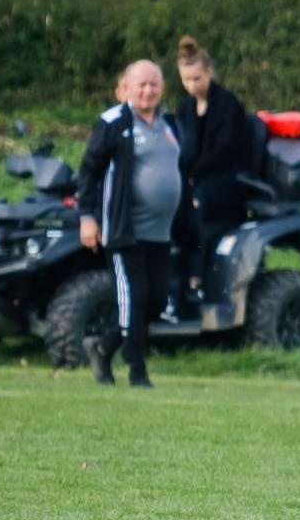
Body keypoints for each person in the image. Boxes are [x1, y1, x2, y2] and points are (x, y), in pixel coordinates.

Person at [78, 59, 189, 388]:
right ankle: (137, 369)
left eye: (154, 84)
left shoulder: (170, 124)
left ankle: (102, 347)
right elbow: (88, 172)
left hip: (161, 234)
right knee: (134, 300)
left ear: (162, 87)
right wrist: (87, 218)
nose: (148, 90)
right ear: (126, 88)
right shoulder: (114, 122)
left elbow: (180, 169)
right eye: (142, 84)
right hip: (124, 232)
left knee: (156, 303)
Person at [174, 36, 251, 303]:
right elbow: (181, 148)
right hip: (195, 177)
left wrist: (193, 177)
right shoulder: (185, 108)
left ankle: (195, 279)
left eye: (197, 79)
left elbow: (224, 149)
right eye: (186, 80)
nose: (192, 85)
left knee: (194, 204)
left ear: (209, 72)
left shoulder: (227, 104)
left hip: (227, 178)